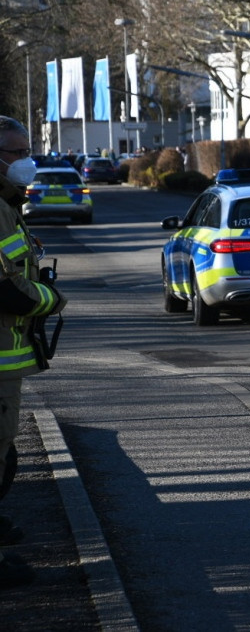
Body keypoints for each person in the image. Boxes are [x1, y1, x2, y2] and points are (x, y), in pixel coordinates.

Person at [0, 116, 68, 588]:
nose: (26, 160)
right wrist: (52, 300)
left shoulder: (7, 205)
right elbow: (7, 292)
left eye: (28, 150)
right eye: (15, 152)